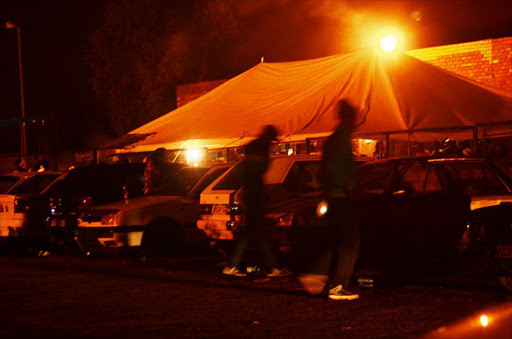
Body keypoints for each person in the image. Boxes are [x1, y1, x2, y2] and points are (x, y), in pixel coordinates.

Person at [223, 125, 290, 278]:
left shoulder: (252, 148)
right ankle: (274, 267)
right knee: (260, 234)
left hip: (250, 196)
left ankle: (233, 265)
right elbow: (255, 174)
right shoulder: (259, 150)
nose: (272, 144)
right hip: (253, 197)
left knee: (252, 235)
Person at [321, 99, 360, 300]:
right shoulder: (342, 140)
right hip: (341, 196)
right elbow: (341, 170)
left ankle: (331, 281)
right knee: (350, 243)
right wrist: (350, 189)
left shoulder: (332, 139)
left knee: (337, 242)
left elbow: (326, 169)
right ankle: (338, 286)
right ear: (350, 118)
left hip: (331, 196)